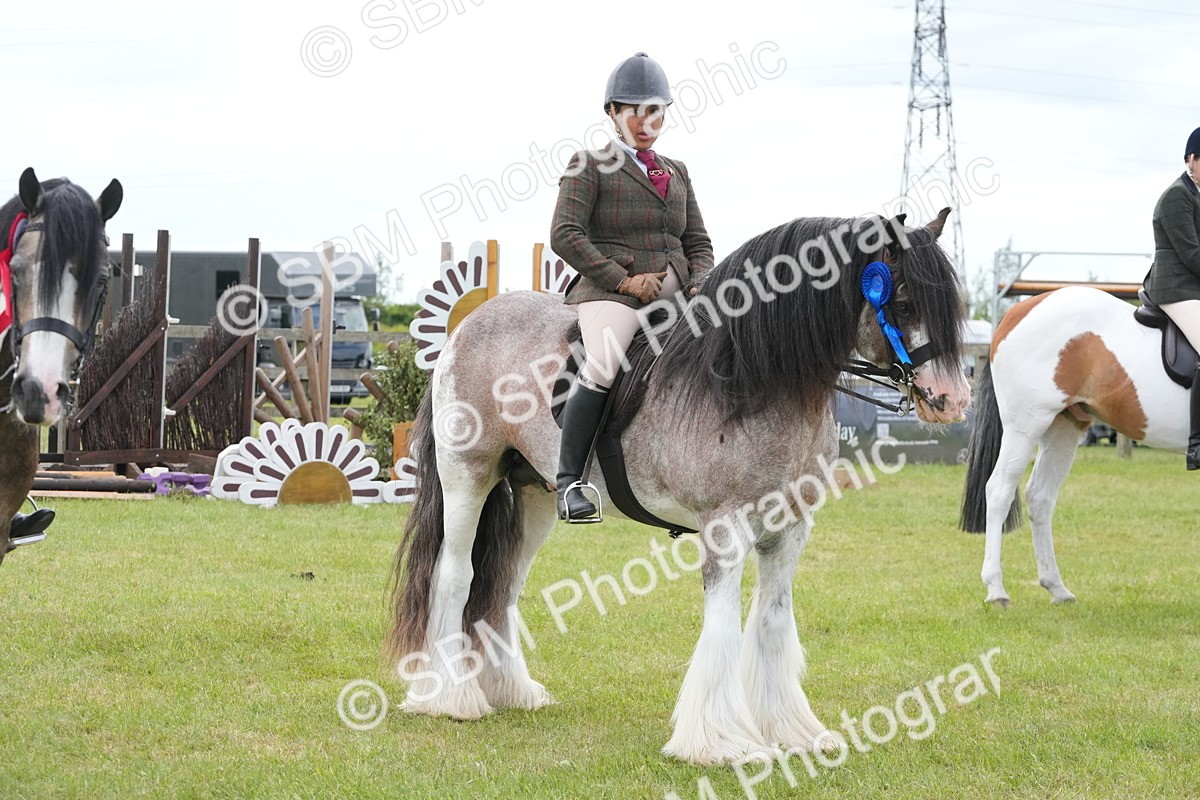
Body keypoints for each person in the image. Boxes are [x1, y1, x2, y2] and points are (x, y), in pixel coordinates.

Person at [550, 52, 715, 522]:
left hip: (678, 289)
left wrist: (702, 282)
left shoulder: (677, 170)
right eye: (635, 112)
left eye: (655, 111)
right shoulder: (589, 164)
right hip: (610, 291)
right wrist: (622, 279)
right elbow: (565, 233)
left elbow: (697, 240)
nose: (647, 122)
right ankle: (570, 484)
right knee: (605, 361)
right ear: (613, 114)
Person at [1145, 126, 1200, 468]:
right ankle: (1197, 442)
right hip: (1175, 288)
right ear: (1191, 160)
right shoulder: (1176, 197)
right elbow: (1193, 257)